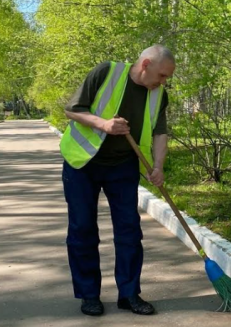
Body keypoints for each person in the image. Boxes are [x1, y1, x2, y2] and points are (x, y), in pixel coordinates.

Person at [60, 44, 175, 316]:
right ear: (145, 64)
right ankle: (89, 295)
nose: (164, 81)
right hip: (82, 164)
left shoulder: (159, 94)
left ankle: (129, 294)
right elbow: (72, 110)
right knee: (82, 230)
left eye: (167, 77)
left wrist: (158, 166)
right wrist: (104, 125)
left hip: (123, 166)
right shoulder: (106, 72)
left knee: (129, 231)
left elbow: (160, 132)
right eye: (162, 75)